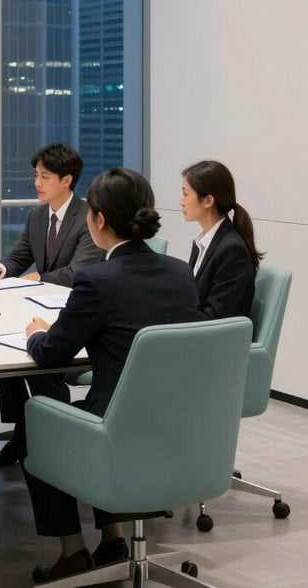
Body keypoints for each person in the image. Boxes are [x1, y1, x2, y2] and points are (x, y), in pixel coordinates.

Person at [21, 167, 198, 583]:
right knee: (93, 409)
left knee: (37, 423)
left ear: (98, 220)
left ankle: (74, 551)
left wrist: (36, 333)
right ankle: (114, 538)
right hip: (182, 427)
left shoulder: (97, 280)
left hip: (117, 429)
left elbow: (51, 354)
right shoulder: (180, 273)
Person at [0, 143, 104, 467]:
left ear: (67, 180)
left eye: (44, 177)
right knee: (1, 351)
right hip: (39, 310)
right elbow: (20, 255)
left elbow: (80, 271)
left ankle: (46, 442)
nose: (37, 183)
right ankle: (24, 432)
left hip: (72, 314)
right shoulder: (38, 216)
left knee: (38, 364)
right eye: (36, 175)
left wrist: (37, 279)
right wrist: (2, 269)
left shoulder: (87, 218)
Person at [180, 159, 262, 320]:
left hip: (216, 342)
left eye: (185, 194)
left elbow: (214, 319)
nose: (181, 201)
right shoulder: (202, 243)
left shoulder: (232, 250)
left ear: (208, 201)